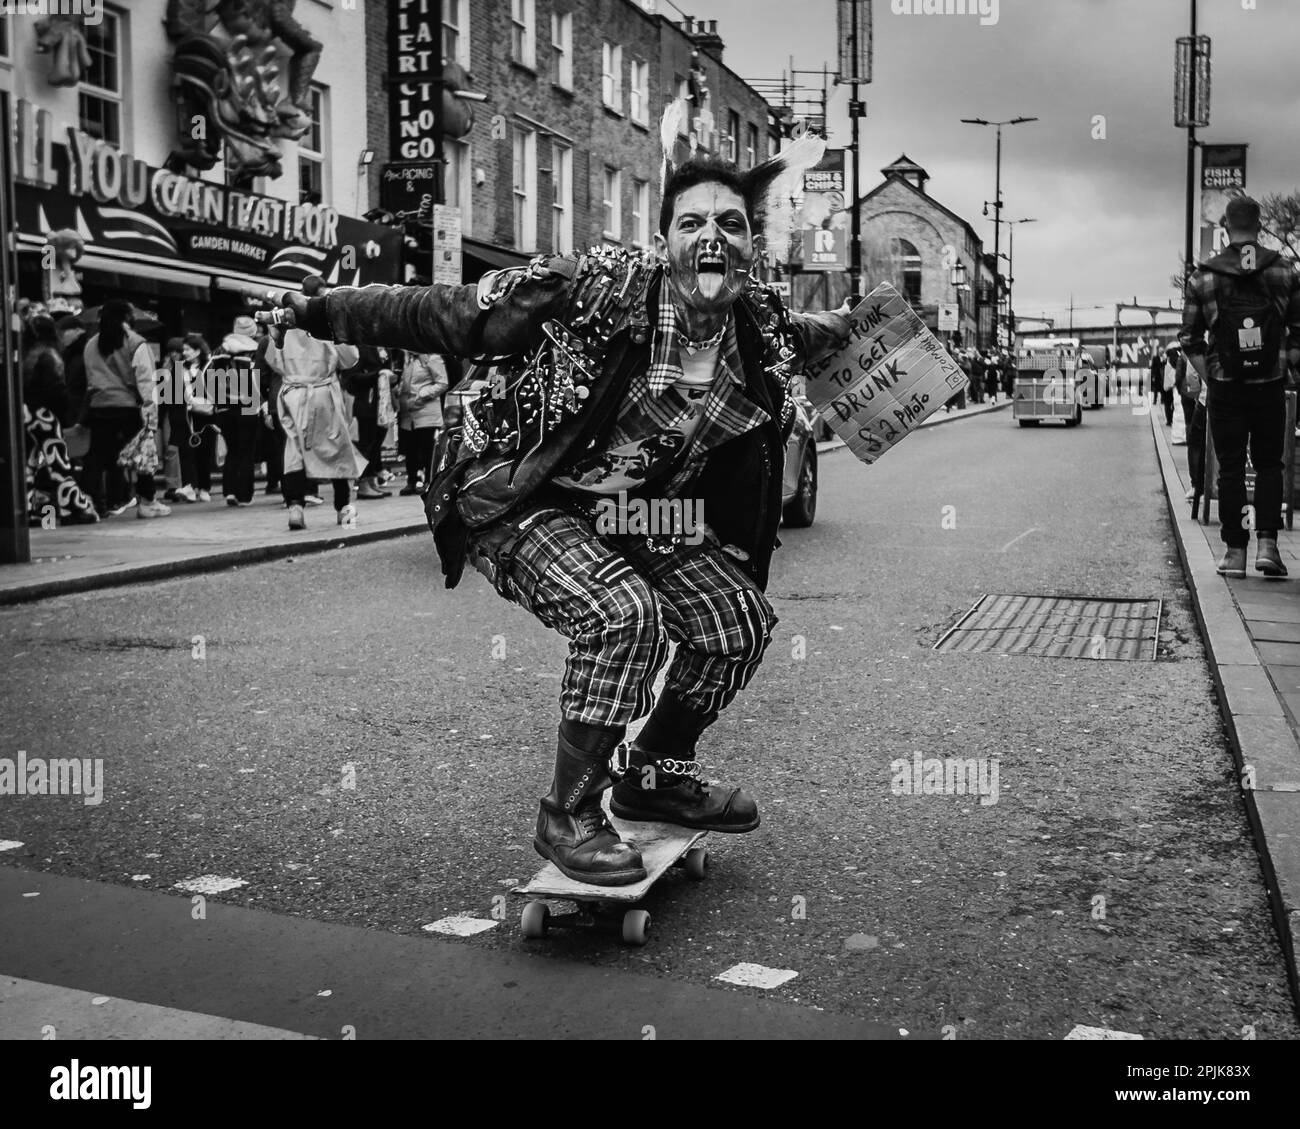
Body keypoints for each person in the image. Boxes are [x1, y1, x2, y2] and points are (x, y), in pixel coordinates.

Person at [280, 138, 852, 885]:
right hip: (520, 494)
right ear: (663, 241)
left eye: (731, 225)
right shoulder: (593, 293)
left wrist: (876, 323)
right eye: (691, 223)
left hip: (629, 510)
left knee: (735, 620)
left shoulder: (759, 325)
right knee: (624, 613)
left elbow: (818, 336)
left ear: (751, 250)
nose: (711, 235)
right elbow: (449, 315)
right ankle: (568, 812)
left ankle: (654, 771)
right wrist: (321, 309)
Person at [1181, 194, 1300, 579]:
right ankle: (1268, 547)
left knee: (1230, 467)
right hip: (1269, 384)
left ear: (1226, 227)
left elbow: (1189, 338)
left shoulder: (1203, 276)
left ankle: (1234, 553)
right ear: (1260, 223)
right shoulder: (1285, 272)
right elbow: (1298, 334)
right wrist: (1283, 363)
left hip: (1225, 386)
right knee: (1270, 464)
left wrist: (1212, 372)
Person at [261, 318, 366, 530]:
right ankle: (343, 508)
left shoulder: (282, 330)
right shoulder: (327, 327)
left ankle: (295, 507)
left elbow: (271, 361)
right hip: (324, 394)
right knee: (336, 449)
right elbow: (350, 359)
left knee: (294, 450)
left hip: (292, 395)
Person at [81, 300, 169, 518]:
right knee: (143, 454)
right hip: (128, 407)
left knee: (97, 458)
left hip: (99, 407)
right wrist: (151, 415)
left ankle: (88, 503)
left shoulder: (91, 344)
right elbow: (146, 381)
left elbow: (90, 380)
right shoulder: (136, 343)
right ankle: (147, 502)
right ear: (128, 318)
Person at [21, 313, 98, 525]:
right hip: (45, 415)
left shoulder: (26, 355)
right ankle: (72, 507)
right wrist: (64, 416)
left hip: (25, 412)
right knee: (59, 464)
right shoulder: (51, 355)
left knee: (28, 465)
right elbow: (57, 391)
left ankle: (26, 509)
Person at [204, 316, 263, 507]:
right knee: (246, 450)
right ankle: (244, 495)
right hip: (248, 406)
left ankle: (229, 491)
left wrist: (215, 399)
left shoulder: (219, 350)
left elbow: (206, 376)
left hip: (224, 407)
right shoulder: (255, 350)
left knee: (232, 449)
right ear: (252, 332)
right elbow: (259, 378)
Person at [168, 334, 217, 502]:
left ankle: (204, 487)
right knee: (186, 452)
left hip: (205, 417)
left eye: (188, 349)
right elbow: (171, 395)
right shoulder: (178, 368)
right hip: (185, 417)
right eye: (184, 350)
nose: (185, 353)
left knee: (204, 452)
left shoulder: (209, 367)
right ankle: (189, 486)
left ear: (197, 351)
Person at [343, 344, 397, 499]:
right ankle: (364, 483)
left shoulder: (384, 349)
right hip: (367, 405)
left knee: (376, 445)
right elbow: (352, 379)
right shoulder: (360, 349)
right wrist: (378, 374)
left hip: (382, 405)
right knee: (367, 445)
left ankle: (372, 481)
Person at [396, 350, 450, 496]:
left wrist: (423, 395)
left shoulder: (432, 358)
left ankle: (429, 481)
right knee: (410, 449)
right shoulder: (408, 360)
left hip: (427, 413)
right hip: (408, 413)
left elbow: (442, 382)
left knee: (427, 450)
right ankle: (411, 481)